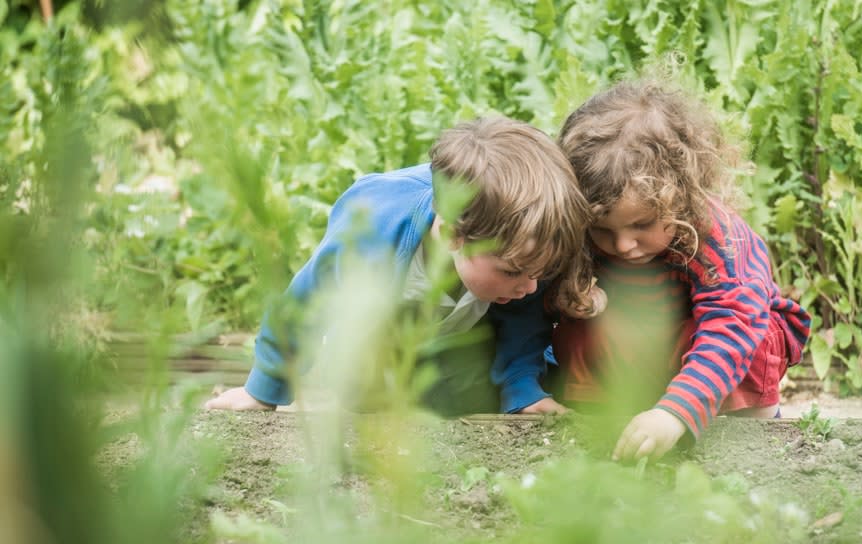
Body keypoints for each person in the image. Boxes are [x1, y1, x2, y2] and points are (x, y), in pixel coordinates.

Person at [205, 116, 595, 416]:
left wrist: (523, 391)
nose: (529, 286)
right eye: (513, 273)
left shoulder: (524, 245)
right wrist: (263, 389)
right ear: (451, 237)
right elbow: (305, 302)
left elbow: (526, 321)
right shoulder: (374, 231)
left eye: (539, 274)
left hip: (456, 337)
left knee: (463, 398)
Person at [550, 80, 812, 462]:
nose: (622, 245)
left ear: (682, 194)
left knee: (755, 340)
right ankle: (607, 427)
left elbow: (733, 323)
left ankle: (756, 436)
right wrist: (568, 296)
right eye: (602, 231)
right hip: (646, 345)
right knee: (579, 332)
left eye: (642, 225)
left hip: (722, 347)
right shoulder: (582, 230)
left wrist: (677, 411)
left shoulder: (716, 236)